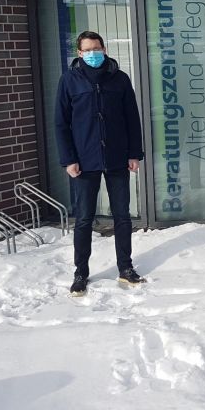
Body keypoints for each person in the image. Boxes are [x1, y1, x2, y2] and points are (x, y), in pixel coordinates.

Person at [55, 30, 145, 297]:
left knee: (122, 217)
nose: (93, 54)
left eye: (97, 48)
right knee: (84, 219)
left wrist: (134, 153)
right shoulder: (69, 81)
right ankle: (80, 272)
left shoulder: (119, 79)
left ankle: (125, 268)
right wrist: (68, 159)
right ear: (80, 53)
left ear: (104, 49)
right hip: (84, 161)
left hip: (117, 157)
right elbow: (61, 124)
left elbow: (132, 118)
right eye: (87, 50)